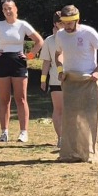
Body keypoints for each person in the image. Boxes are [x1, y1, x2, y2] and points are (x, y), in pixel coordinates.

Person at [0, 0, 44, 143]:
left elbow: (39, 41)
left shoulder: (22, 25)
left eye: (10, 8)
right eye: (4, 9)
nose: (7, 11)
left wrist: (30, 55)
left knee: (21, 98)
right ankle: (4, 132)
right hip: (2, 62)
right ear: (2, 11)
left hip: (18, 62)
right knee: (4, 99)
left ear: (16, 9)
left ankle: (23, 132)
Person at [55, 5, 98, 163]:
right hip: (70, 80)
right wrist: (60, 70)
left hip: (88, 80)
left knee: (90, 117)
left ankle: (91, 153)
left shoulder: (88, 32)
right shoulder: (60, 35)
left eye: (70, 23)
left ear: (77, 20)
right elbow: (58, 53)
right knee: (70, 117)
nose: (67, 26)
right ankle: (70, 153)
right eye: (64, 23)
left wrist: (97, 70)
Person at [39, 11, 64, 147]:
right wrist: (43, 79)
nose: (63, 25)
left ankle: (72, 136)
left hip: (72, 78)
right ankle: (60, 138)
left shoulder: (73, 36)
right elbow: (46, 62)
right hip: (56, 80)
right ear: (55, 24)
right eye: (60, 23)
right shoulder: (49, 40)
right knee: (58, 109)